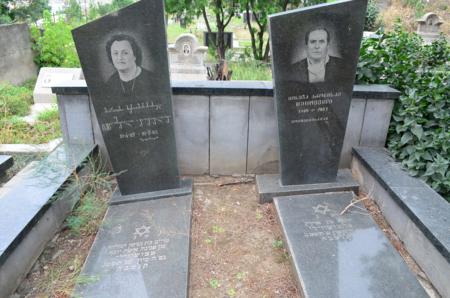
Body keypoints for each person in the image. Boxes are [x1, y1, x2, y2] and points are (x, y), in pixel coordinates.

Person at [104, 34, 160, 98]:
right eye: (115, 53)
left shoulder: (153, 80)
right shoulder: (109, 84)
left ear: (135, 55)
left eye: (125, 53)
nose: (120, 58)